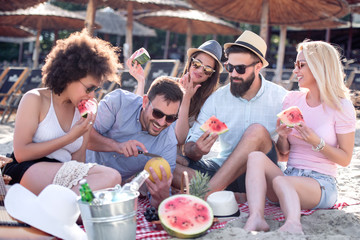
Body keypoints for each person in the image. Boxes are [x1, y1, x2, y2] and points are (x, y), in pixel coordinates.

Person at [243, 40, 356, 234]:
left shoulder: (341, 106)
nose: (295, 70)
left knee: (281, 182)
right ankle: (256, 217)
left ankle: (293, 225)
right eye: (295, 65)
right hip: (290, 174)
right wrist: (283, 137)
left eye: (301, 65)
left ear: (320, 67)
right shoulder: (291, 100)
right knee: (255, 157)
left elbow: (345, 159)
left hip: (320, 183)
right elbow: (284, 155)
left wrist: (317, 143)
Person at [3, 30, 122, 195]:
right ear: (70, 75)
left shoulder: (84, 109)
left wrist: (84, 129)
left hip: (64, 175)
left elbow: (78, 163)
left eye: (96, 89)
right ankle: (65, 206)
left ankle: (63, 207)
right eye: (89, 88)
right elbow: (21, 153)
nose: (92, 95)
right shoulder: (35, 99)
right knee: (111, 176)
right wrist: (70, 137)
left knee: (107, 183)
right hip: (27, 170)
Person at [173, 30, 288, 200]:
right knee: (166, 166)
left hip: (263, 174)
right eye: (230, 67)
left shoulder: (281, 98)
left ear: (258, 67)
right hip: (223, 172)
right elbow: (189, 146)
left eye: (240, 69)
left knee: (256, 132)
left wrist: (264, 143)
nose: (233, 74)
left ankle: (205, 193)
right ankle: (233, 195)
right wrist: (197, 149)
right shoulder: (217, 99)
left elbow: (286, 155)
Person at [86, 76, 184, 207]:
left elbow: (157, 202)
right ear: (145, 102)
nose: (161, 123)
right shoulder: (119, 102)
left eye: (170, 118)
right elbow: (84, 137)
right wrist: (117, 146)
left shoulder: (168, 143)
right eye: (157, 113)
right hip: (79, 169)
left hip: (111, 193)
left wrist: (162, 196)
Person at [126, 40, 223, 146]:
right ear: (190, 63)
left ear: (212, 75)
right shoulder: (165, 81)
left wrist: (186, 98)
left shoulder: (210, 102)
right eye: (197, 64)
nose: (200, 70)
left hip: (172, 152)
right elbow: (141, 113)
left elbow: (181, 140)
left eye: (207, 69)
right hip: (146, 143)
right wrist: (141, 81)